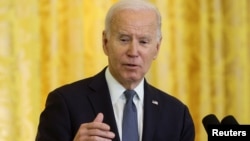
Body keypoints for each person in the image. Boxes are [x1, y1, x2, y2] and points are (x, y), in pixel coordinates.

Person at [35, 0, 195, 141]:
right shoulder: (65, 103)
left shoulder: (176, 115)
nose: (133, 51)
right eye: (124, 39)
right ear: (105, 43)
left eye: (144, 41)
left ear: (157, 48)